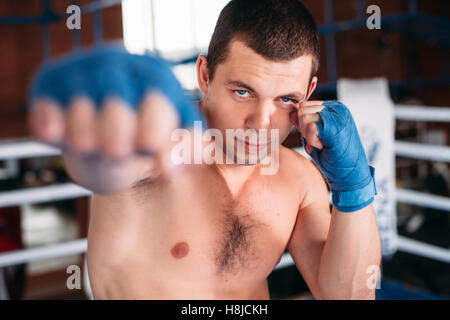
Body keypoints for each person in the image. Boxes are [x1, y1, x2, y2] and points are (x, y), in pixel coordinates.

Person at [27, 0, 381, 299]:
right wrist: (98, 123)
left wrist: (354, 187)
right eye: (243, 92)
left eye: (285, 99)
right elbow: (107, 166)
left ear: (309, 92)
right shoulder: (159, 152)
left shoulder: (299, 180)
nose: (261, 122)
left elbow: (348, 294)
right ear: (205, 76)